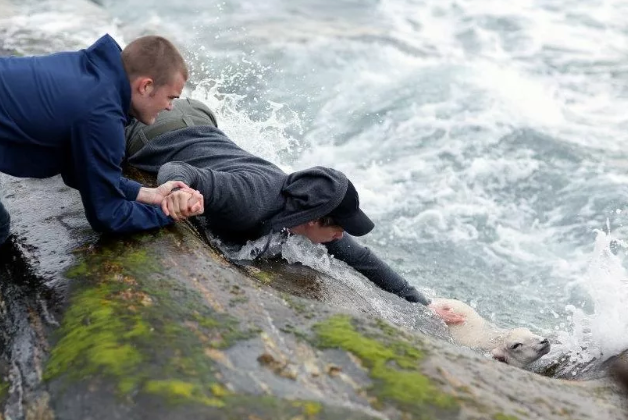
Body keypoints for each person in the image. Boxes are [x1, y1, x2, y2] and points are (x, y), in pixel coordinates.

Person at [0, 34, 203, 389]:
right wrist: (169, 215)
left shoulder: (90, 75)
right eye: (171, 97)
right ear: (145, 86)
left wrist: (150, 195)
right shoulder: (101, 114)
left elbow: (85, 171)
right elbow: (107, 215)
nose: (171, 108)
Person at [125, 98, 464, 324]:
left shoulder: (300, 208)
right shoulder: (250, 199)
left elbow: (361, 259)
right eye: (340, 226)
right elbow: (176, 167)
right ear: (314, 218)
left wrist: (422, 305)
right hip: (152, 131)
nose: (341, 235)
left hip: (201, 117)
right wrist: (177, 191)